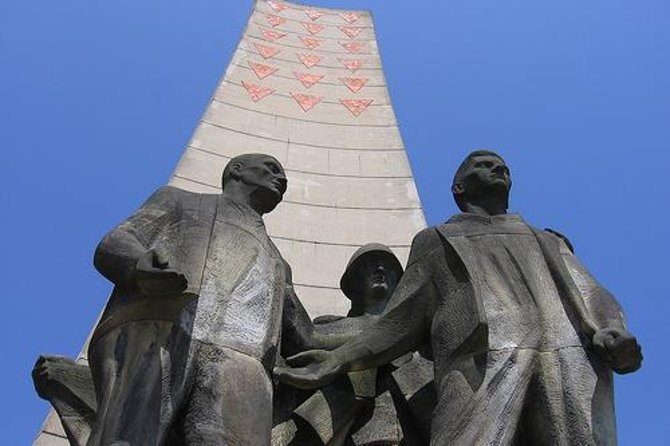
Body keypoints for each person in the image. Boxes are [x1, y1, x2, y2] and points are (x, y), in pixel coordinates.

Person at [275, 150, 642, 445]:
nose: (498, 167)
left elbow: (590, 291)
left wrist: (611, 327)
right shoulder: (436, 241)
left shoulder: (548, 240)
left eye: (503, 166)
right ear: (459, 188)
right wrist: (337, 360)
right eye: (483, 164)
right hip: (478, 366)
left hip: (568, 360)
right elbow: (398, 323)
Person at [80, 153, 337, 445]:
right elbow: (115, 242)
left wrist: (379, 330)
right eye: (271, 169)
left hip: (243, 364)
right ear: (237, 170)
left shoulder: (278, 263)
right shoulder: (178, 200)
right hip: (160, 332)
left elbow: (306, 337)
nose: (282, 179)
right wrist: (140, 264)